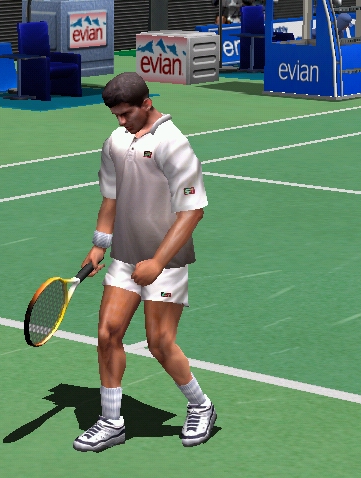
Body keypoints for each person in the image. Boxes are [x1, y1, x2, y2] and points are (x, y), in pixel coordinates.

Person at [73, 72, 216, 453]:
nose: (121, 121)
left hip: (166, 262)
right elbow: (111, 197)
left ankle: (201, 406)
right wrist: (99, 244)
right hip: (124, 256)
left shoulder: (173, 143)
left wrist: (157, 262)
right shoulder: (115, 142)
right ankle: (111, 421)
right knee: (108, 334)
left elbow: (192, 211)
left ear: (147, 104)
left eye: (127, 114)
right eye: (116, 115)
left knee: (160, 343)